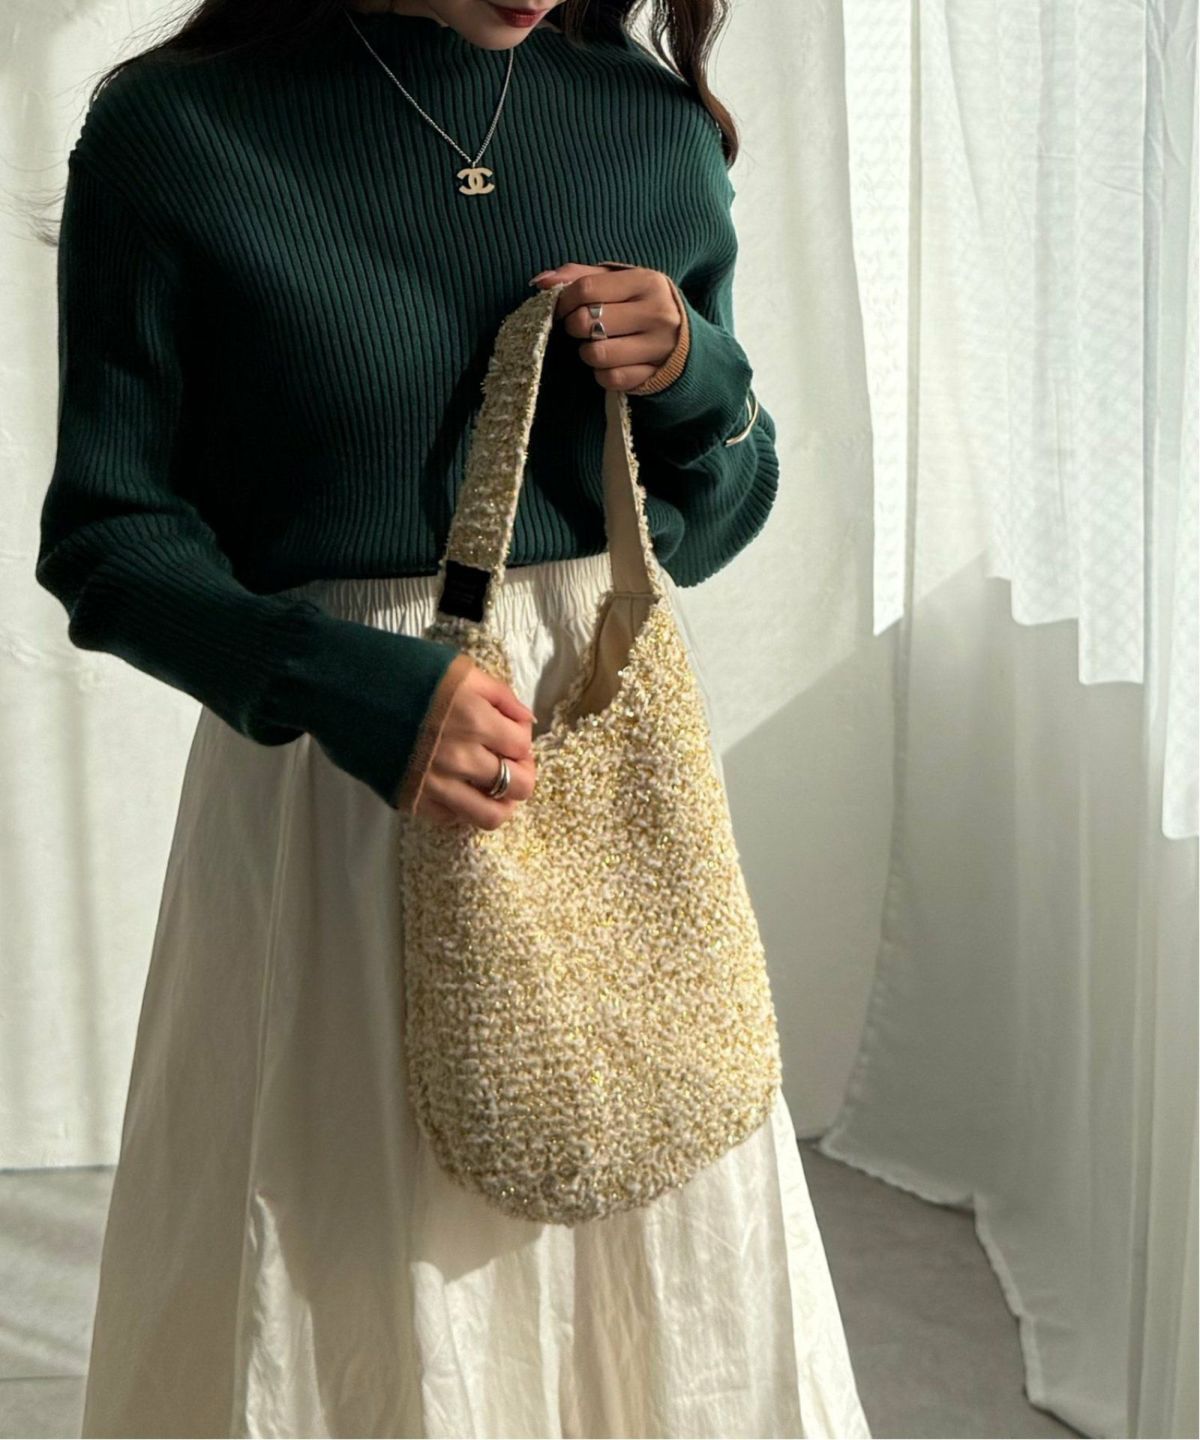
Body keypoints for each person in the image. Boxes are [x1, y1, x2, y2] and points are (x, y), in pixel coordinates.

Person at [36, 0, 872, 1434]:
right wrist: (344, 684)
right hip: (332, 796)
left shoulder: (646, 121)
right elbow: (109, 538)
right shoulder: (180, 132)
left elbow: (707, 518)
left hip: (605, 784)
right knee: (351, 1282)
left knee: (652, 1245)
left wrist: (694, 373)